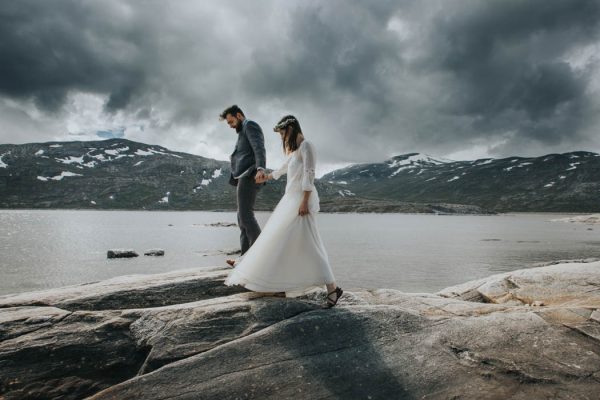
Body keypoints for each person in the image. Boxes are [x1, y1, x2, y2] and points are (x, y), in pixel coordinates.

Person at [224, 115, 343, 308]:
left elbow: (309, 174)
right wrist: (267, 177)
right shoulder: (295, 151)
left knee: (311, 243)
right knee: (283, 240)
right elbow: (282, 170)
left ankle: (332, 288)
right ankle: (279, 283)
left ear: (291, 128)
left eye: (282, 133)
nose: (282, 138)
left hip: (301, 200)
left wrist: (304, 201)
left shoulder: (307, 146)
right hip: (292, 200)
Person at [219, 105, 267, 266]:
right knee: (241, 218)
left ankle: (257, 257)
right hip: (243, 176)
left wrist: (261, 168)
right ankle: (244, 258)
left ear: (239, 115)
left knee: (246, 216)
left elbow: (259, 147)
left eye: (231, 121)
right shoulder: (242, 131)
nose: (231, 125)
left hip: (250, 174)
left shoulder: (250, 125)